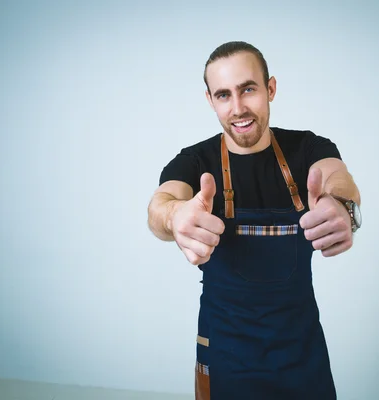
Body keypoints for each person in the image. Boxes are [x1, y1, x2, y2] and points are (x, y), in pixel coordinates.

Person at [147, 41, 362, 400]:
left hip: (300, 351)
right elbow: (160, 205)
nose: (238, 108)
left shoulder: (307, 149)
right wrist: (175, 216)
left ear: (270, 89)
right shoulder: (195, 162)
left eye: (248, 89)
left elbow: (338, 178)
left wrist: (342, 205)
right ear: (210, 101)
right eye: (223, 95)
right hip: (225, 350)